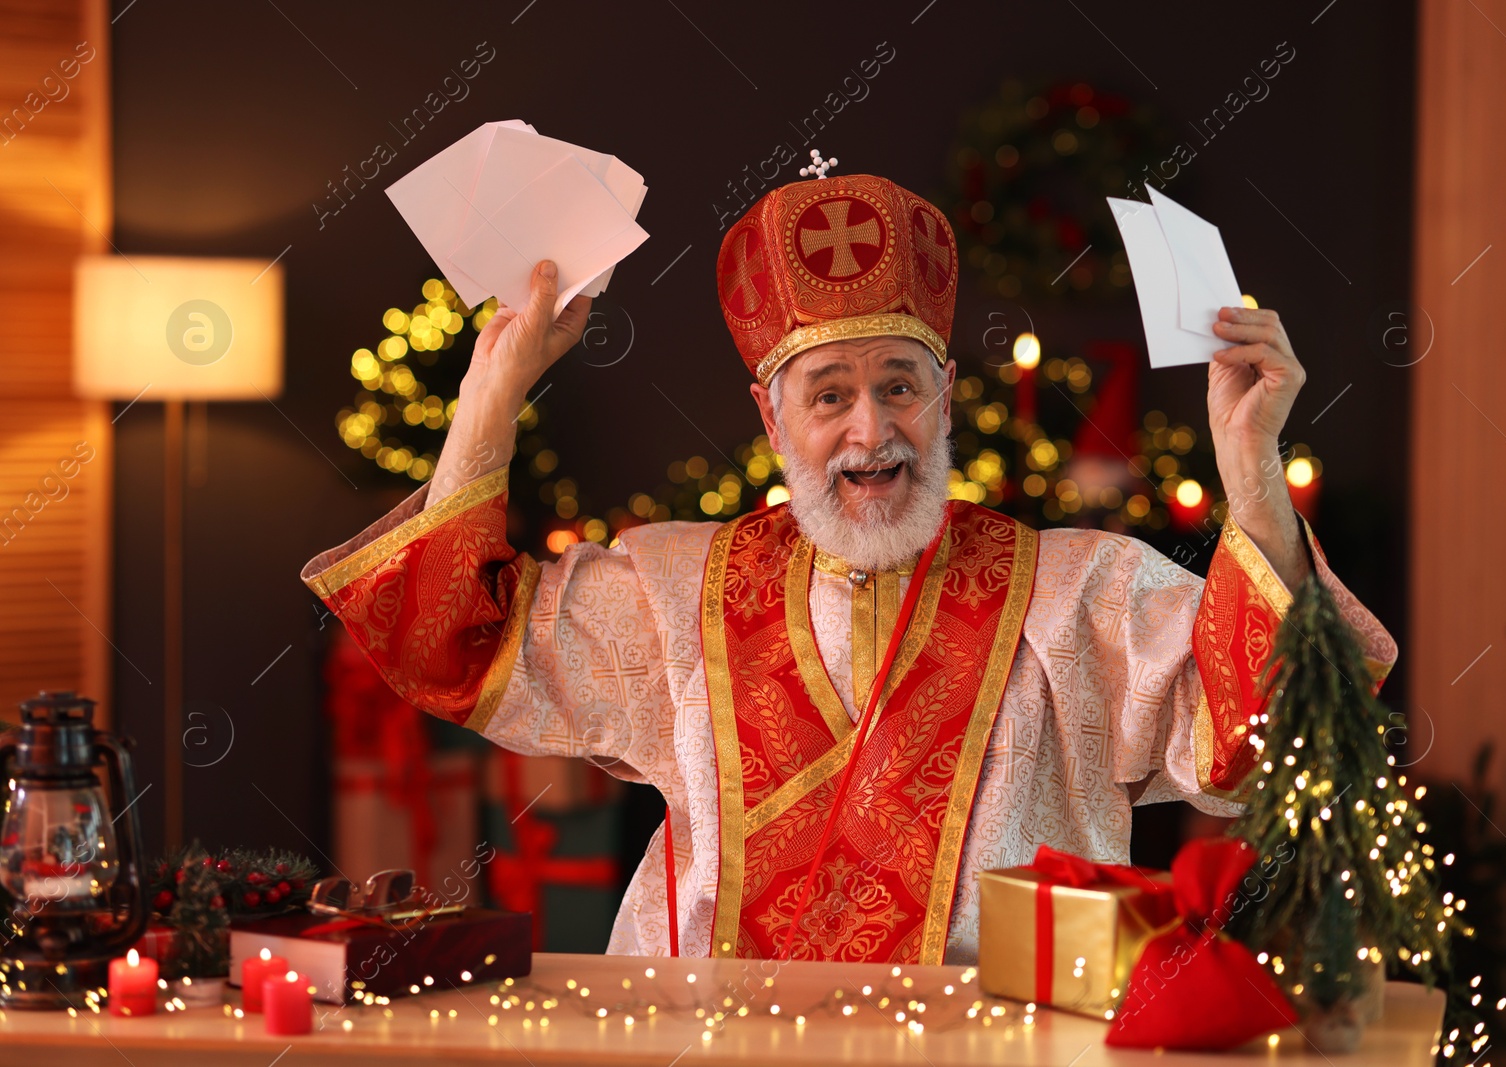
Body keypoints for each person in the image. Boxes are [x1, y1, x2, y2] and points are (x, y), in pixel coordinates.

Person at [302, 173, 1396, 964]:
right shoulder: (667, 591)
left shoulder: (1085, 593)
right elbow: (447, 637)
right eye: (828, 393)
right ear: (771, 418)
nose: (872, 428)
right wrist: (491, 395)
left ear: (944, 399)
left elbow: (1280, 736)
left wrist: (1247, 463)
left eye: (900, 384)